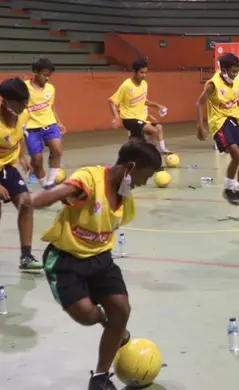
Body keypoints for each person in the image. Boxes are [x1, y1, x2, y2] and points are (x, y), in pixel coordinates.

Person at [31, 139, 162, 390]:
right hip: (66, 259)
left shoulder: (126, 199)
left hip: (100, 258)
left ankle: (100, 378)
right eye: (144, 176)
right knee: (87, 315)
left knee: (122, 310)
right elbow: (65, 192)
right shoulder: (91, 179)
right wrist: (35, 199)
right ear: (130, 167)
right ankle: (102, 320)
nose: (145, 183)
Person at [196, 53, 239, 206]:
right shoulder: (213, 84)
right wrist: (200, 127)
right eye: (233, 71)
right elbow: (198, 103)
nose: (235, 75)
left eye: (237, 71)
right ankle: (228, 190)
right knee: (236, 154)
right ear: (223, 70)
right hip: (218, 122)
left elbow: (232, 103)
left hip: (232, 120)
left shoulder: (235, 82)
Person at [0, 78, 42, 270]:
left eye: (26, 101)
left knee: (26, 202)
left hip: (6, 166)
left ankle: (26, 256)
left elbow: (19, 135)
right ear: (4, 101)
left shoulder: (23, 114)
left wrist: (22, 156)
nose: (24, 106)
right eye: (19, 102)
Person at [108, 59, 172, 154]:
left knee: (159, 127)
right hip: (129, 119)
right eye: (141, 72)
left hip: (140, 119)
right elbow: (111, 101)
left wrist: (157, 105)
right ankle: (152, 155)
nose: (144, 75)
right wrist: (116, 117)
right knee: (153, 131)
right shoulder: (126, 86)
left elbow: (143, 101)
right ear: (134, 72)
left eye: (146, 72)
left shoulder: (144, 84)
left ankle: (162, 149)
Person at [24, 58, 66, 189]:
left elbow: (51, 106)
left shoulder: (50, 88)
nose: (47, 78)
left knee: (58, 150)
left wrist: (58, 122)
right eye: (45, 75)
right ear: (35, 72)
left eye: (49, 75)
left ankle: (51, 181)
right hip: (31, 129)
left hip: (49, 124)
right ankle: (45, 185)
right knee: (37, 161)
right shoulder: (23, 88)